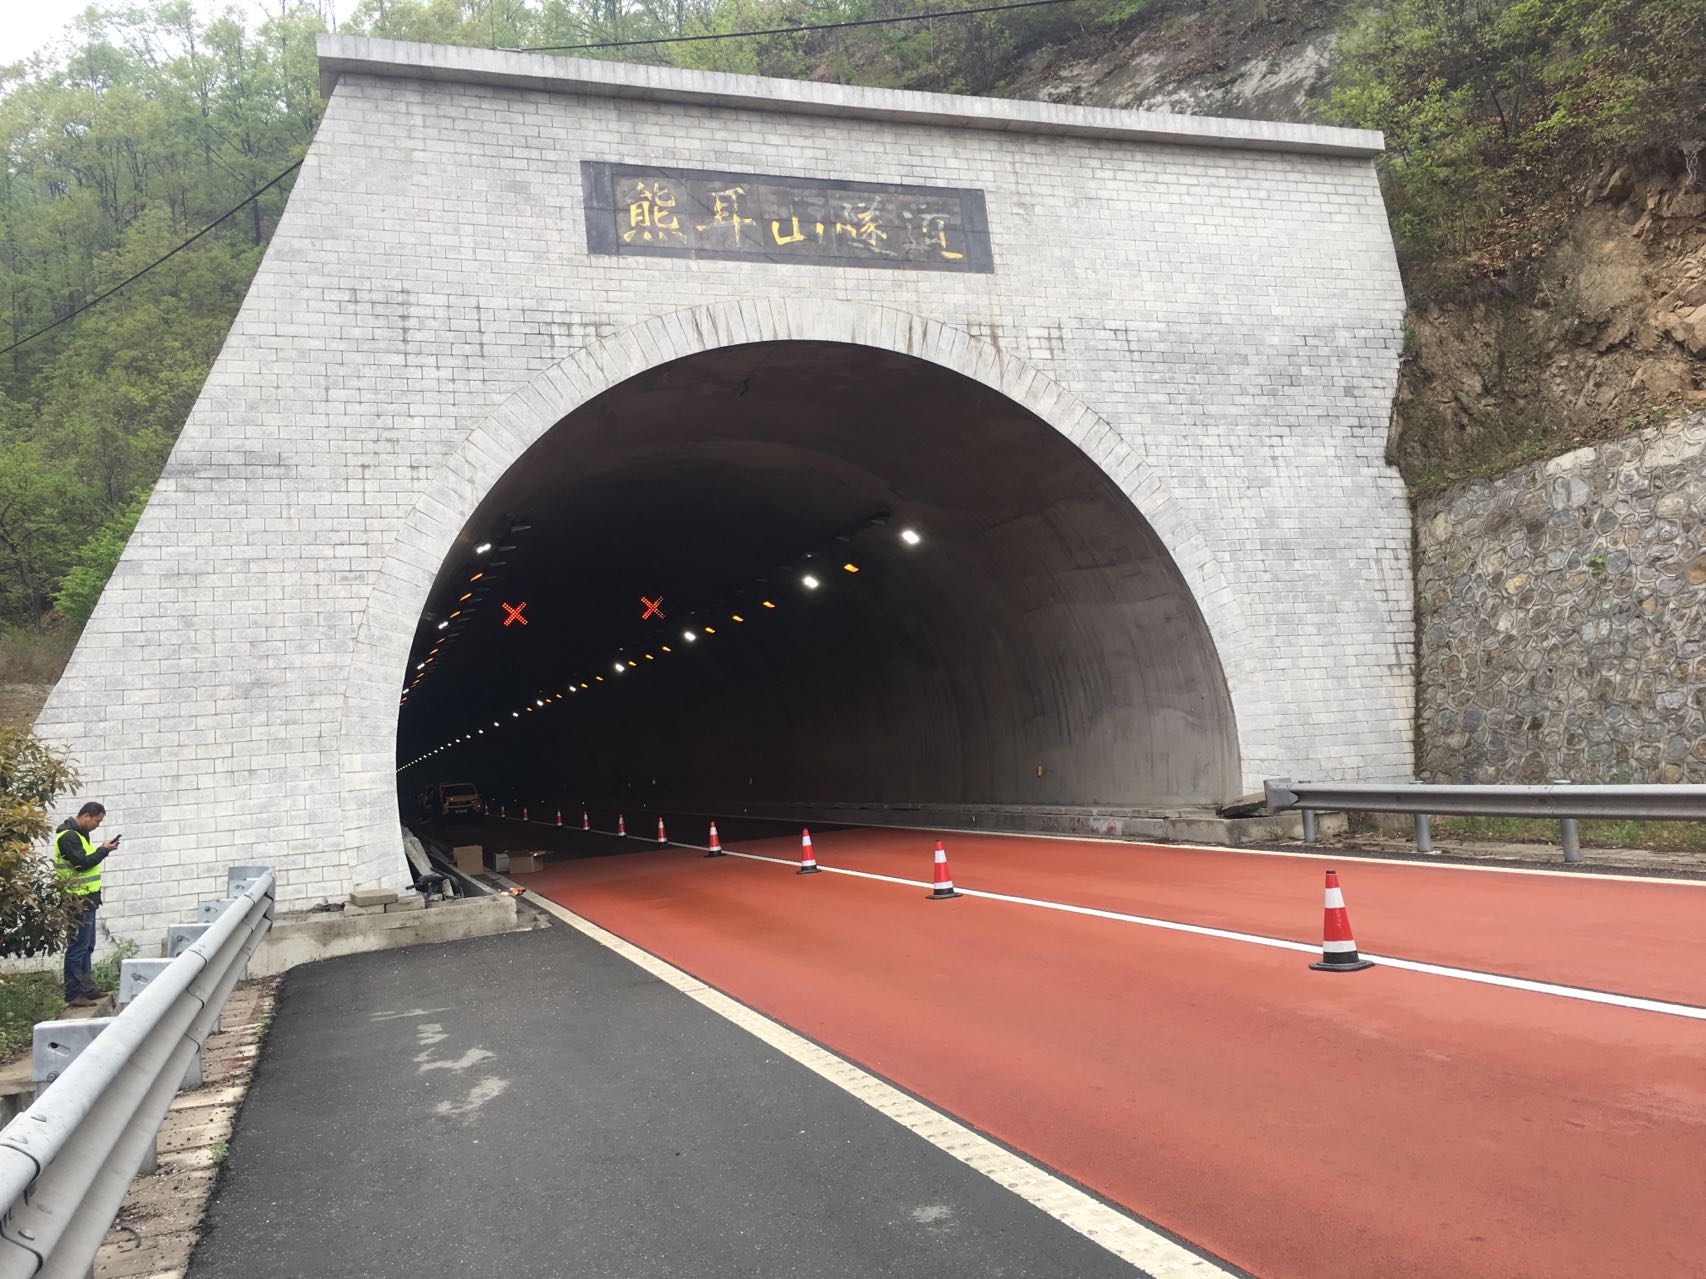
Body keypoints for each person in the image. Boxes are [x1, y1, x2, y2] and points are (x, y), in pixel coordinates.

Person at [54, 801, 119, 1008]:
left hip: (86, 899)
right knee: (77, 948)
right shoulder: (69, 837)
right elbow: (82, 864)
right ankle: (74, 994)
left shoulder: (80, 835)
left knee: (87, 946)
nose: (97, 825)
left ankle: (87, 990)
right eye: (97, 821)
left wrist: (103, 849)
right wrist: (104, 850)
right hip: (76, 901)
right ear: (86, 816)